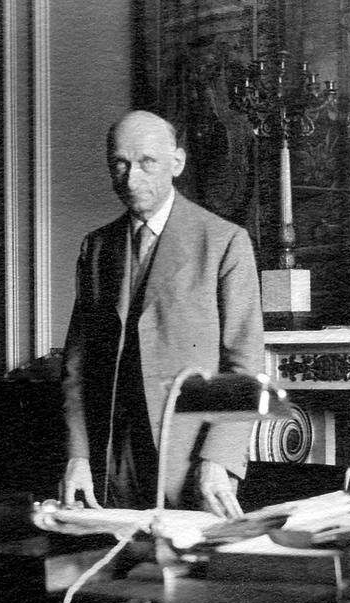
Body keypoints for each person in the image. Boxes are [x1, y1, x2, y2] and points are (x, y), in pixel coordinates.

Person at [60, 110, 264, 519]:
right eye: (120, 164)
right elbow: (77, 369)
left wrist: (218, 461)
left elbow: (244, 368)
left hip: (190, 464)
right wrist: (78, 456)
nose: (131, 178)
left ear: (177, 163)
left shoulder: (224, 243)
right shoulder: (97, 248)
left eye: (146, 163)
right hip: (110, 464)